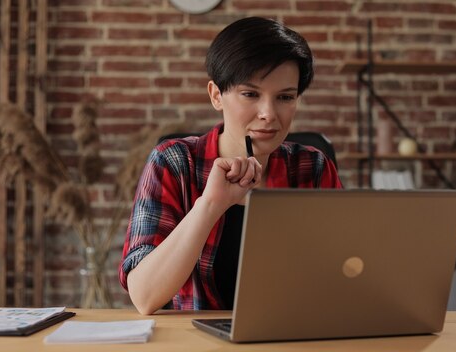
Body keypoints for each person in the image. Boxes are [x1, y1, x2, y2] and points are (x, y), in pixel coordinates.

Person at [119, 17, 342, 315]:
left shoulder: (312, 167)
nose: (268, 114)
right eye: (250, 94)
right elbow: (145, 296)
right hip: (195, 341)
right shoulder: (172, 162)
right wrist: (211, 204)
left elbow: (341, 275)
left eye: (285, 97)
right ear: (216, 96)